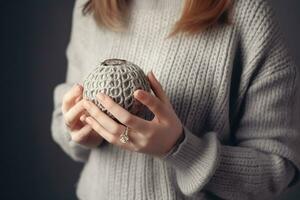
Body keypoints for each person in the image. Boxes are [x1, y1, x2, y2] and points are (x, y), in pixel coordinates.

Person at [50, 0, 300, 199]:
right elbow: (63, 116)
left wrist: (180, 149)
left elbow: (279, 169)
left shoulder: (247, 13)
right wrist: (80, 130)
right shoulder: (91, 5)